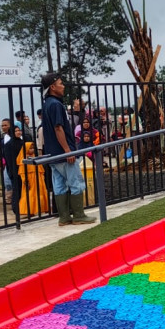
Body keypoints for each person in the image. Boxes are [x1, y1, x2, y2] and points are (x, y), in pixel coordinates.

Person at [40, 72, 96, 226]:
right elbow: (59, 128)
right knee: (75, 182)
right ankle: (78, 215)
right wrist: (68, 151)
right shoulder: (56, 105)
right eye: (60, 83)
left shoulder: (47, 104)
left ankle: (64, 217)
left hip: (53, 153)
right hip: (64, 153)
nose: (63, 86)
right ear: (52, 87)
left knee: (59, 184)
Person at [2, 125, 25, 227]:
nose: (18, 132)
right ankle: (16, 208)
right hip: (14, 170)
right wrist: (11, 172)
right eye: (16, 131)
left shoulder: (22, 143)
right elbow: (9, 160)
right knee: (17, 189)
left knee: (23, 188)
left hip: (24, 169)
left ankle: (24, 207)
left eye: (19, 130)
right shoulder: (8, 145)